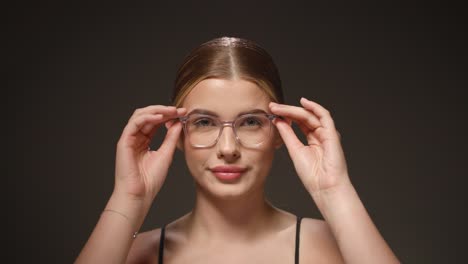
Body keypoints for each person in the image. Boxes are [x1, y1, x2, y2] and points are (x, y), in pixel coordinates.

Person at [75, 36, 400, 263]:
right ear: (177, 134)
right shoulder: (131, 254)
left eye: (250, 122)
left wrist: (335, 191)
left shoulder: (329, 249)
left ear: (279, 130)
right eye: (204, 123)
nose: (228, 148)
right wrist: (128, 199)